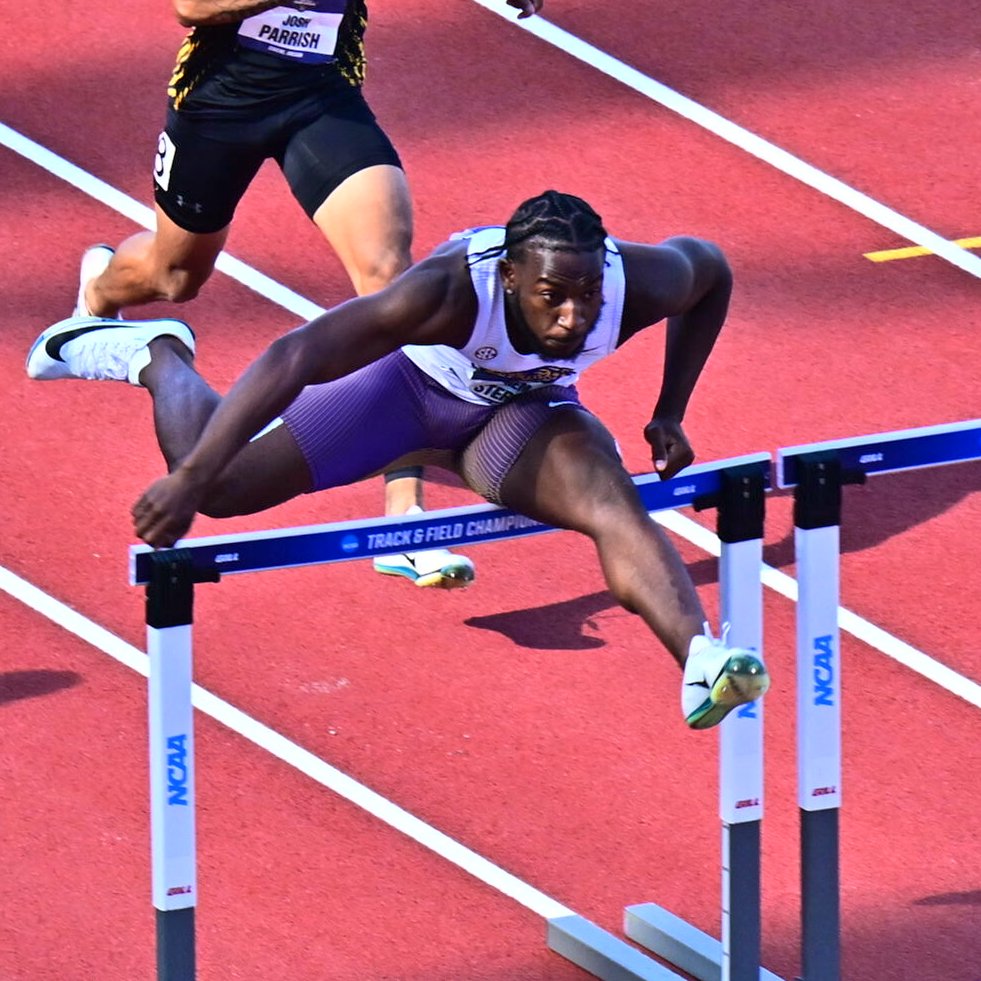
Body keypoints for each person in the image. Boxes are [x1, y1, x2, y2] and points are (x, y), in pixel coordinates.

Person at [29, 189, 770, 729]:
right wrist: (187, 481)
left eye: (584, 295)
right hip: (406, 395)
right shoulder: (445, 293)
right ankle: (157, 355)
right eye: (552, 297)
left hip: (517, 418)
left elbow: (710, 272)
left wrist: (670, 406)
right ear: (510, 278)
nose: (573, 316)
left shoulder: (634, 283)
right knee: (222, 490)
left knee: (611, 499)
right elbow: (296, 355)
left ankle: (700, 658)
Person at [68, 0, 542, 586]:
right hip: (221, 97)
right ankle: (101, 286)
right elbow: (191, 6)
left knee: (391, 280)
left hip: (320, 96)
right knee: (175, 276)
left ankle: (405, 523)